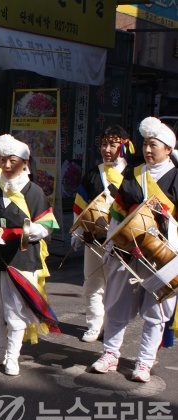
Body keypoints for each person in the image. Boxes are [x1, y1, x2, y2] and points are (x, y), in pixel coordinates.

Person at [91, 117, 178, 382]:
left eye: (154, 145)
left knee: (155, 310)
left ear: (167, 148)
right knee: (116, 303)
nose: (148, 150)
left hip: (163, 254)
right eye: (145, 145)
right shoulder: (134, 172)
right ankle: (110, 353)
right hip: (127, 248)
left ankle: (144, 363)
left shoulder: (176, 176)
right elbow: (117, 210)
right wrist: (110, 241)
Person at [0, 134, 59, 376]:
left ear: (25, 163)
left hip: (22, 258)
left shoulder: (34, 191)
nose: (7, 166)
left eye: (12, 161)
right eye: (3, 160)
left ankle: (12, 355)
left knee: (15, 310)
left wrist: (22, 233)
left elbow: (46, 225)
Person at [71, 125, 131, 343]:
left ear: (123, 147)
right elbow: (80, 205)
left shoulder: (131, 174)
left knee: (116, 288)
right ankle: (94, 324)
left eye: (112, 145)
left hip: (121, 240)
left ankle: (111, 327)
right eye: (104, 144)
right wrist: (77, 230)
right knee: (93, 283)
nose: (107, 149)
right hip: (94, 237)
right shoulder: (93, 174)